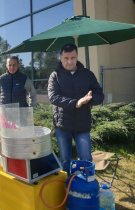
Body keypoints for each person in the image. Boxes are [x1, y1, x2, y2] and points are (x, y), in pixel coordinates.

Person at [47, 43, 104, 175]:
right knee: (65, 160)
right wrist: (76, 103)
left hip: (82, 124)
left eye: (73, 57)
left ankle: (87, 186)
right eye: (66, 58)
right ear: (61, 58)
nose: (70, 61)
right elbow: (53, 97)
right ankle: (67, 187)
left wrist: (89, 100)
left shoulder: (87, 74)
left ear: (77, 57)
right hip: (62, 125)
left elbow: (100, 95)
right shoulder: (55, 75)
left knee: (86, 159)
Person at [0, 56, 37, 154]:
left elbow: (33, 94)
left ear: (18, 65)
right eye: (10, 65)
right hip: (5, 116)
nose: (12, 67)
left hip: (21, 116)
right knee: (3, 140)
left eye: (14, 65)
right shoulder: (1, 79)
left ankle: (21, 160)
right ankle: (0, 159)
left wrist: (30, 109)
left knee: (21, 141)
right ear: (6, 66)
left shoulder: (24, 79)